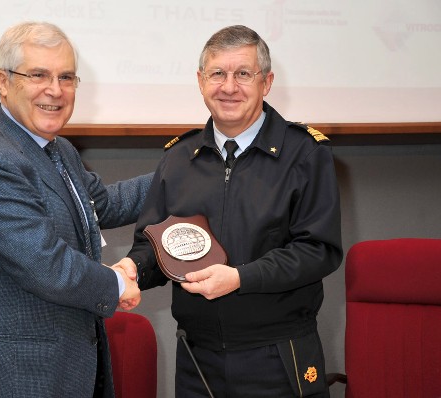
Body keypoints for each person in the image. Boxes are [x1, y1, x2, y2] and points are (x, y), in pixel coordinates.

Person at [116, 25, 343, 397]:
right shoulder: (178, 158)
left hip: (277, 355)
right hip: (197, 358)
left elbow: (318, 251)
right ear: (200, 81)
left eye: (243, 74)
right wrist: (133, 268)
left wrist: (239, 278)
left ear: (266, 82)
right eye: (217, 74)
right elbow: (156, 243)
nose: (229, 87)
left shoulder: (306, 154)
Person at [0, 21, 151, 397]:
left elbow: (105, 205)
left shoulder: (56, 148)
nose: (55, 90)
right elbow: (48, 265)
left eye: (66, 77)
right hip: (6, 378)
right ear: (3, 82)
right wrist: (116, 284)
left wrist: (182, 173)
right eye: (39, 75)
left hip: (58, 370)